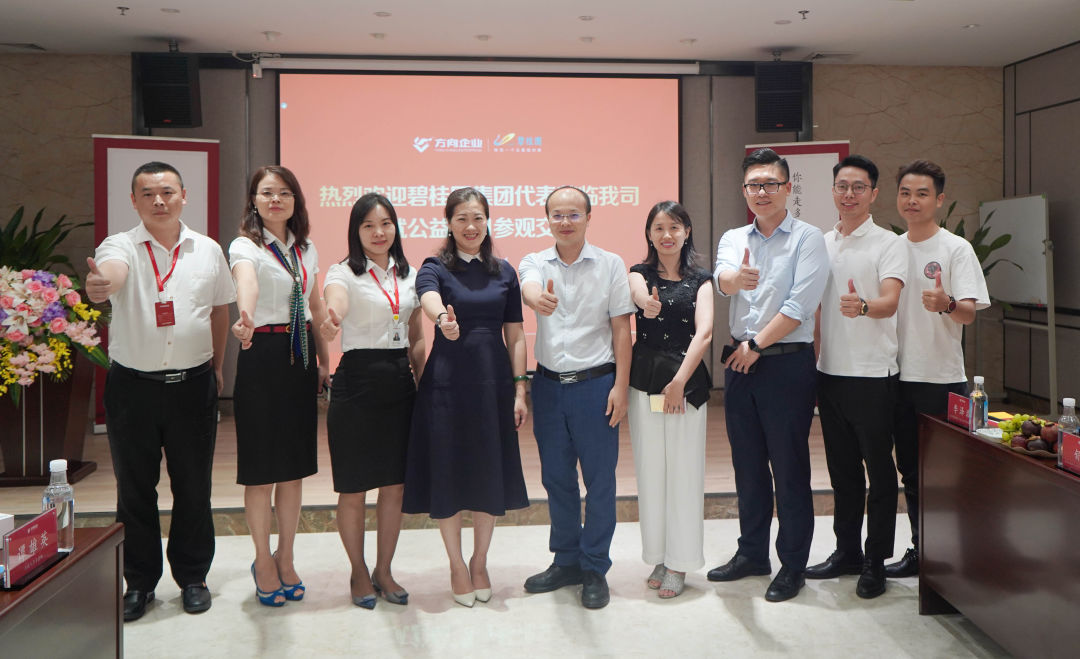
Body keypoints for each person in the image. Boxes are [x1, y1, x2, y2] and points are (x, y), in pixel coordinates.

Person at [85, 161, 235, 621]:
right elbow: (111, 274)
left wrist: (218, 366)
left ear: (183, 196)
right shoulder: (120, 246)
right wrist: (101, 285)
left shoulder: (207, 250)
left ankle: (193, 577)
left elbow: (219, 311)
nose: (159, 201)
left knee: (194, 487)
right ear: (134, 201)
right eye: (148, 193)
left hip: (193, 385)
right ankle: (139, 583)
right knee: (134, 490)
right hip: (133, 389)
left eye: (167, 191)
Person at [709, 148, 829, 603]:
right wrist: (734, 280)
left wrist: (756, 345)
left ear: (787, 188)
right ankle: (752, 553)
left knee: (789, 467)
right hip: (741, 364)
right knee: (747, 466)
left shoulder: (808, 238)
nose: (762, 192)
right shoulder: (733, 237)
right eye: (754, 185)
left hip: (784, 363)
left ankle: (792, 565)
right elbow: (721, 279)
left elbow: (800, 306)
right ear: (744, 191)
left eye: (770, 184)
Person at [401, 187, 529, 608]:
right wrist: (443, 318)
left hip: (493, 383)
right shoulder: (435, 266)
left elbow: (515, 335)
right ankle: (456, 564)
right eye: (461, 218)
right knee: (449, 471)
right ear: (449, 223)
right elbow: (428, 297)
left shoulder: (504, 271)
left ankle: (479, 562)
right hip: (447, 385)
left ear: (487, 221)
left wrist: (520, 387)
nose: (470, 226)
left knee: (488, 470)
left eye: (477, 218)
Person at [519, 185, 635, 610]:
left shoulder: (610, 264)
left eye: (573, 214)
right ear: (547, 219)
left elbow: (621, 329)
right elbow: (529, 288)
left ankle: (594, 567)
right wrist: (538, 299)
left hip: (596, 386)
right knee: (556, 478)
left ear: (588, 217)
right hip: (549, 387)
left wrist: (620, 387)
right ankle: (566, 560)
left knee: (600, 481)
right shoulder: (534, 262)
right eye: (557, 214)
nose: (565, 221)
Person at [227, 166, 331, 607]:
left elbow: (315, 305)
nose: (275, 200)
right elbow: (247, 283)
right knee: (260, 470)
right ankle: (261, 559)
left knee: (293, 468)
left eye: (284, 193)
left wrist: (326, 360)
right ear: (254, 200)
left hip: (300, 354)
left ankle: (285, 556)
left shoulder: (305, 248)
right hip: (261, 352)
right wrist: (246, 317)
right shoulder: (245, 245)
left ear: (295, 201)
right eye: (267, 193)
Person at [805, 155, 907, 599]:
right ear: (832, 191)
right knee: (842, 473)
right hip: (830, 373)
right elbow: (814, 310)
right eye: (842, 186)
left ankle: (875, 561)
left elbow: (890, 301)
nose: (849, 194)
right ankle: (846, 551)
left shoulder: (888, 243)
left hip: (873, 375)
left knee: (879, 474)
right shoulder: (821, 243)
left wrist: (863, 306)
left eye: (858, 187)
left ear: (873, 193)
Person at [321, 193, 425, 609]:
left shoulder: (411, 275)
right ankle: (358, 571)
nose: (378, 233)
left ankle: (384, 569)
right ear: (356, 231)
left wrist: (422, 382)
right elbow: (336, 300)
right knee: (353, 487)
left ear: (395, 228)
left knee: (394, 487)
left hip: (400, 383)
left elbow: (416, 336)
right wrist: (332, 317)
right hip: (356, 384)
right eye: (368, 226)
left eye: (385, 224)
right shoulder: (343, 272)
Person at [887, 160, 989, 578]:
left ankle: (954, 558)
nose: (912, 201)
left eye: (922, 194)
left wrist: (946, 303)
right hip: (896, 377)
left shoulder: (955, 249)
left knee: (946, 474)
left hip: (941, 378)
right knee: (910, 471)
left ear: (940, 199)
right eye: (905, 193)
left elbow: (968, 314)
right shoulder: (891, 248)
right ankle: (922, 550)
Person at [627, 201, 713, 599]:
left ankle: (680, 561)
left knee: (683, 473)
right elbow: (638, 295)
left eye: (674, 227)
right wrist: (646, 304)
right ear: (649, 233)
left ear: (686, 231)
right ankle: (660, 556)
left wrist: (679, 382)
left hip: (685, 386)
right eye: (659, 228)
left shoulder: (701, 279)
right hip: (644, 382)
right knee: (651, 472)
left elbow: (705, 332)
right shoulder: (638, 273)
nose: (667, 235)